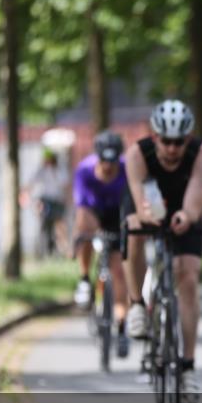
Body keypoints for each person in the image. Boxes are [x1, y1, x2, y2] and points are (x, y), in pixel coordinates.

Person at [123, 100, 202, 403]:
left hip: (182, 207)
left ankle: (187, 366)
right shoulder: (137, 154)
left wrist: (186, 217)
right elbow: (140, 201)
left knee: (187, 275)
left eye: (179, 142)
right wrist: (150, 216)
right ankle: (136, 303)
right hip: (147, 203)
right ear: (155, 136)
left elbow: (194, 200)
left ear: (187, 139)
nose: (173, 148)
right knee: (134, 229)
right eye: (166, 141)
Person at [73, 131, 130, 357]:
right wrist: (94, 234)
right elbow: (83, 207)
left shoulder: (126, 170)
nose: (108, 167)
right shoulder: (84, 171)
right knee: (83, 229)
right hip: (94, 215)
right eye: (104, 162)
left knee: (119, 273)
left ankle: (122, 327)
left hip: (118, 218)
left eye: (112, 162)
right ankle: (85, 278)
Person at [22, 148, 69, 256]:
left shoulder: (60, 170)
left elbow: (64, 185)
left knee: (59, 226)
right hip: (45, 200)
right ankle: (44, 249)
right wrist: (25, 195)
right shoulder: (41, 170)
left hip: (57, 200)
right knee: (44, 226)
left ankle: (62, 250)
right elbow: (31, 183)